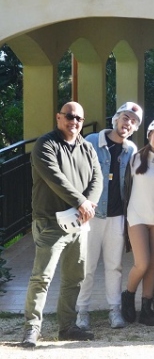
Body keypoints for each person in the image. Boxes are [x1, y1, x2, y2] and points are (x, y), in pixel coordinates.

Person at [21, 102, 102, 348]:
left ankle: (67, 327)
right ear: (58, 117)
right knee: (41, 278)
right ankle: (32, 329)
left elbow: (97, 178)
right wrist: (81, 202)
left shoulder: (87, 147)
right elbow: (55, 178)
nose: (74, 121)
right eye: (69, 116)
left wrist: (89, 204)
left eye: (78, 118)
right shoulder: (45, 145)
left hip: (79, 222)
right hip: (50, 222)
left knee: (74, 278)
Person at [76, 102, 142, 330]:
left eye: (133, 121)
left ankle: (115, 310)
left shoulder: (132, 150)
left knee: (114, 266)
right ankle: (81, 311)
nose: (128, 123)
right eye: (125, 117)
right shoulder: (92, 141)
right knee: (87, 266)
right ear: (116, 118)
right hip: (91, 215)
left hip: (117, 217)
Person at [121, 117, 154, 326]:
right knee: (141, 263)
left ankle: (146, 308)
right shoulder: (134, 159)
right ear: (149, 135)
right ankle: (128, 295)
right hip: (137, 217)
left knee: (153, 264)